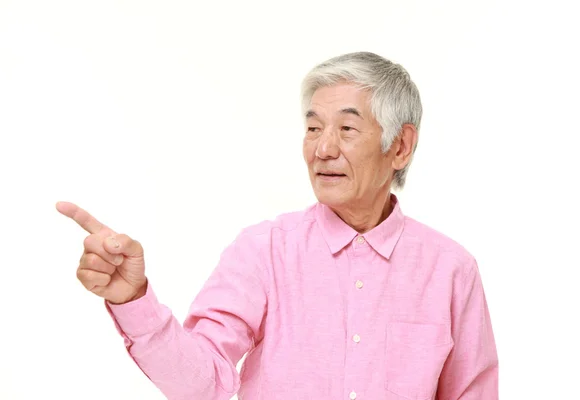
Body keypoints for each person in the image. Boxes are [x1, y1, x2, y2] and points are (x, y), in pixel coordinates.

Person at [56, 51, 498, 399]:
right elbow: (201, 385)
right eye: (312, 127)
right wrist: (133, 299)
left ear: (400, 146)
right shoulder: (263, 250)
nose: (323, 148)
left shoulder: (451, 270)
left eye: (346, 128)